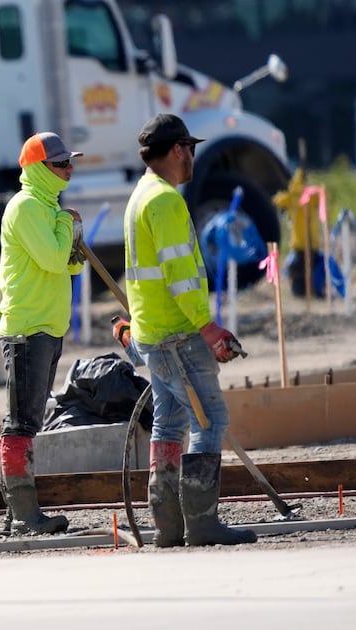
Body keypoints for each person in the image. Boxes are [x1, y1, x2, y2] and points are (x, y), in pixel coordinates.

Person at [121, 113, 256, 547]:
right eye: (190, 149)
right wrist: (209, 328)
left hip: (154, 332)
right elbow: (180, 275)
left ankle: (167, 525)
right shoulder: (164, 200)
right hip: (177, 333)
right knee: (209, 418)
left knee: (170, 421)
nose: (193, 157)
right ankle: (200, 521)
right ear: (178, 150)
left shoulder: (141, 195)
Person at [0, 132, 85, 535]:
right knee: (21, 424)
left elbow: (69, 266)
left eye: (70, 162)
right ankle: (23, 515)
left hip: (46, 327)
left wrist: (72, 238)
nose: (70, 169)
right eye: (62, 163)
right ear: (38, 168)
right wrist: (67, 226)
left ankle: (22, 513)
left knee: (28, 422)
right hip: (27, 330)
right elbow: (52, 258)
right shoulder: (28, 207)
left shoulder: (48, 207)